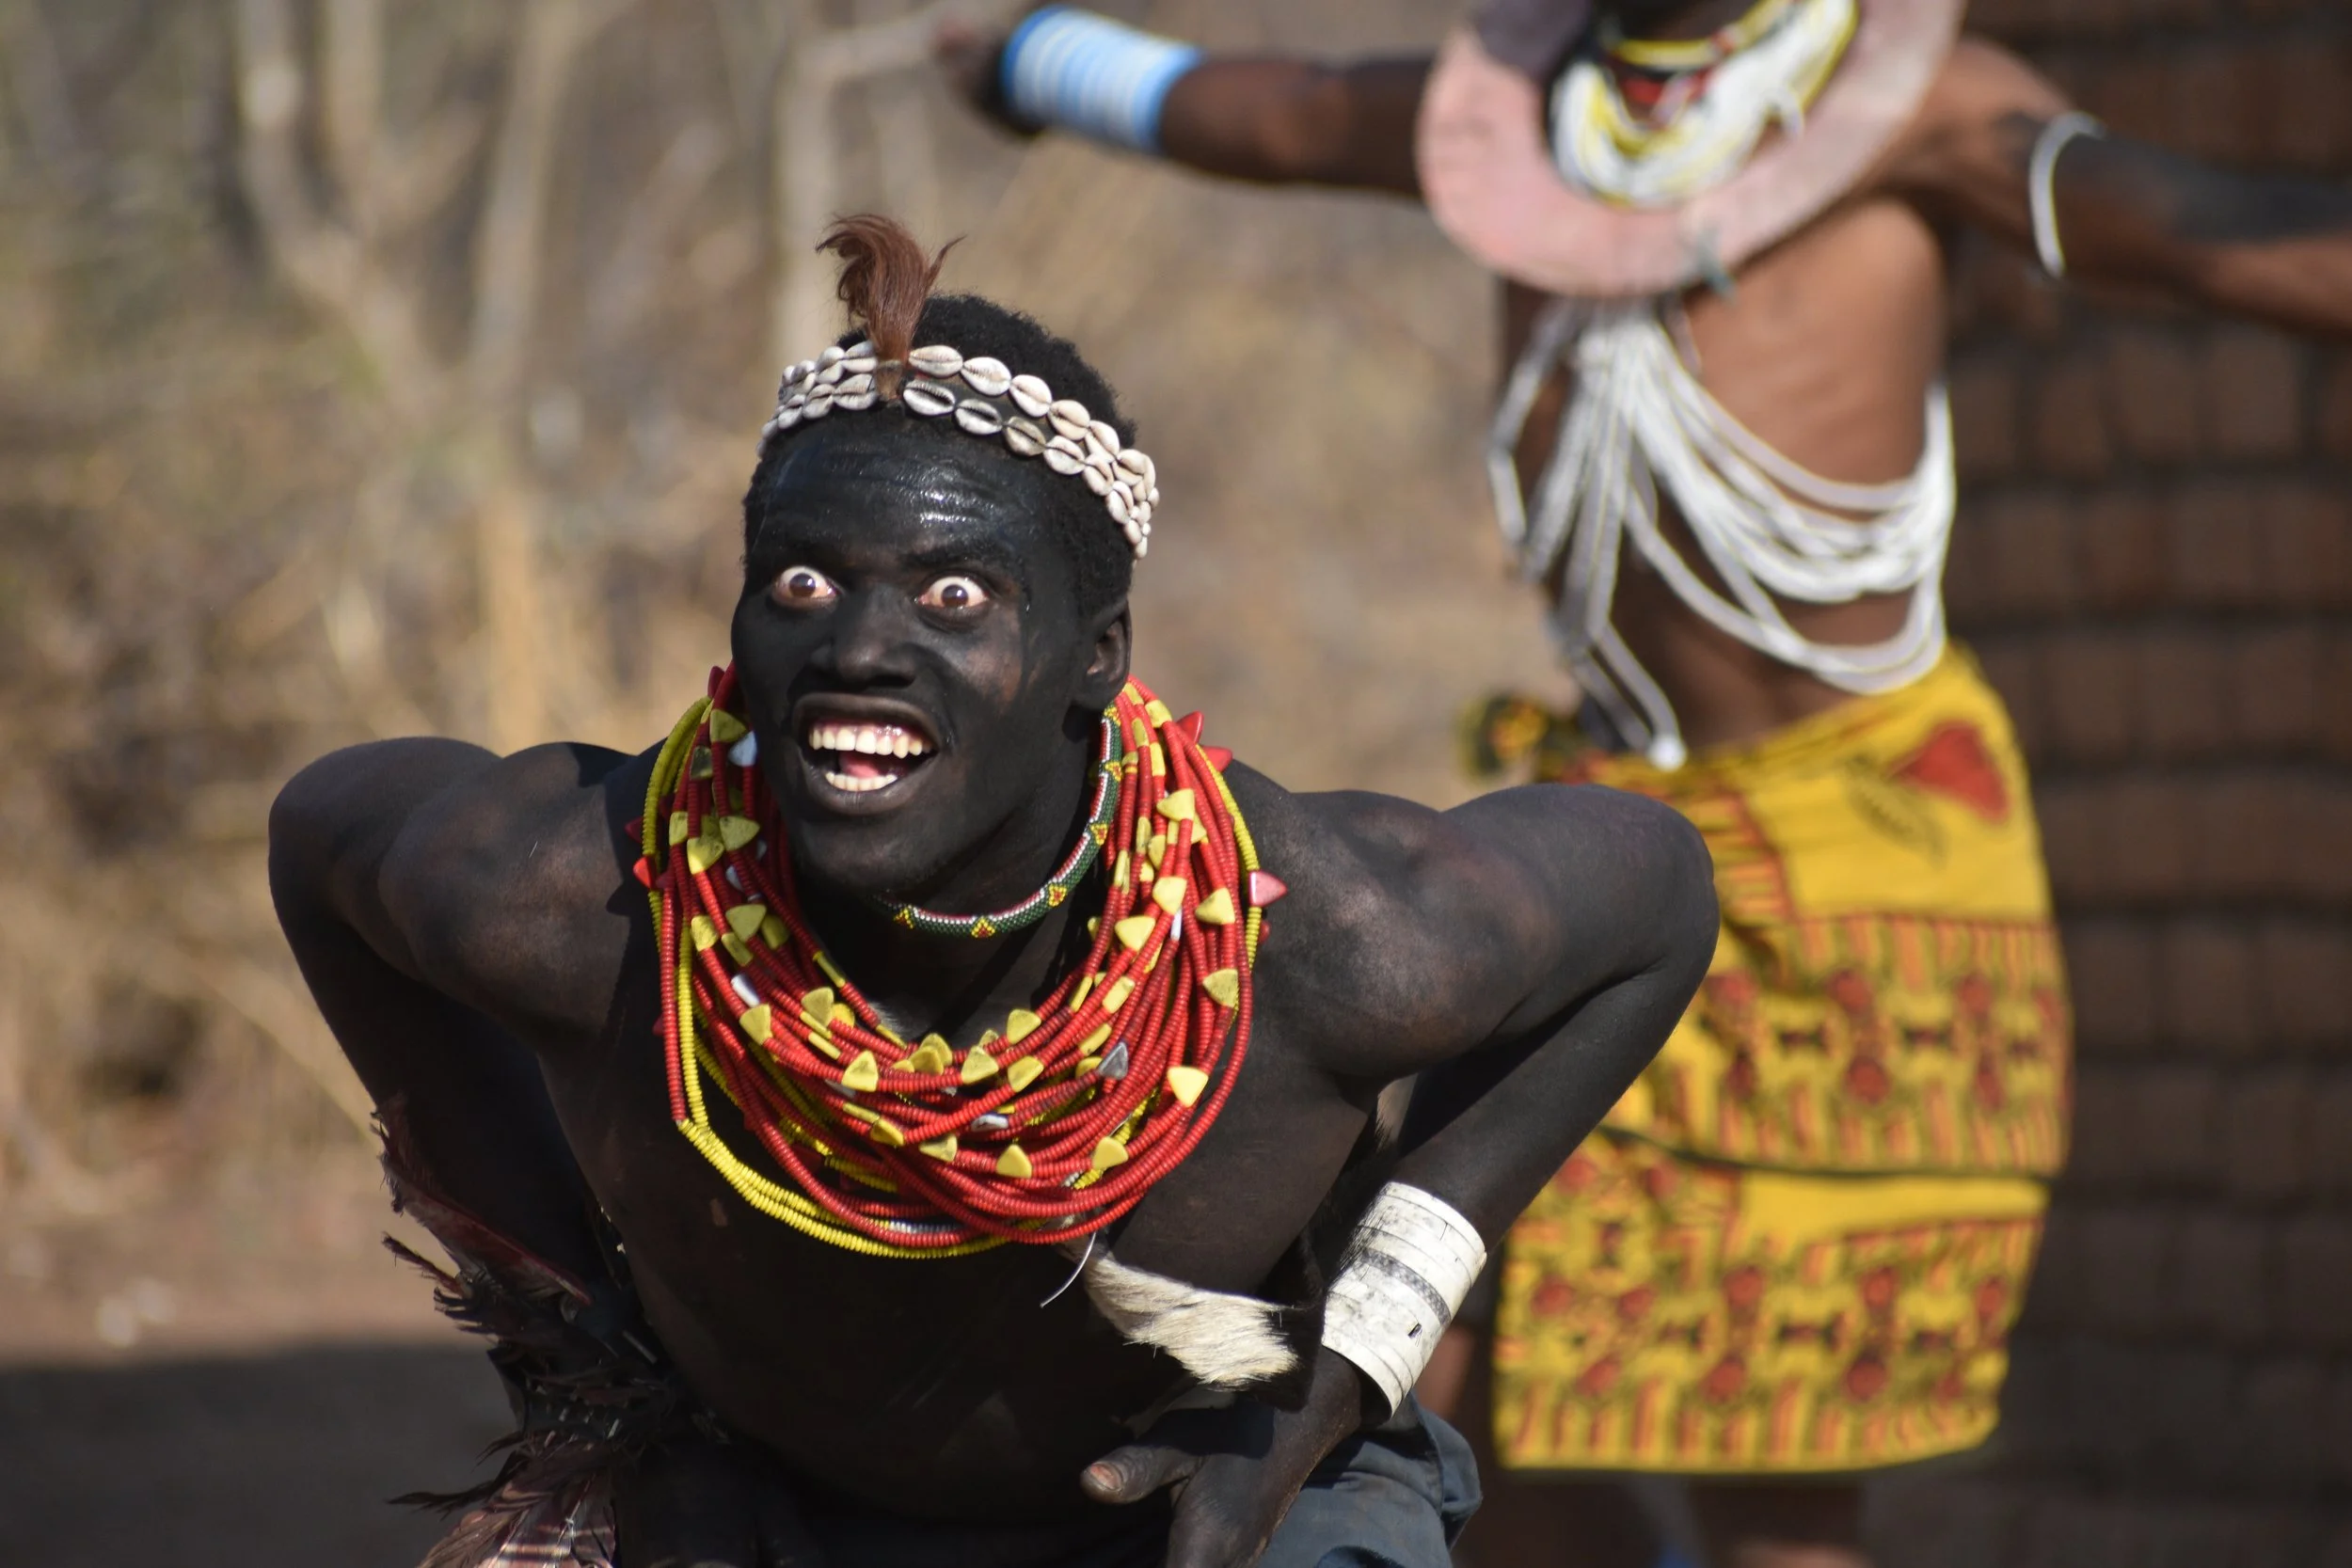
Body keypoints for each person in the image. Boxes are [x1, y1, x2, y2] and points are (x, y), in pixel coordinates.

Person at [937, 3, 2352, 1564]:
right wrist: (1032, 61)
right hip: (1615, 856)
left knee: (1783, 1474)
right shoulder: (1523, 116)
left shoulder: (1920, 110)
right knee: (1431, 1385)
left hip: (1869, 858)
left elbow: (2219, 242)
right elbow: (1279, 109)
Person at [268, 214, 1717, 1568]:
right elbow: (319, 835)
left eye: (954, 597)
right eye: (800, 586)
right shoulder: (588, 903)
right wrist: (592, 1377)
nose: (859, 650)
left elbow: (1657, 896)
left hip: (1238, 1493)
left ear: (1099, 655)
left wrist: (1350, 1364)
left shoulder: (1327, 942)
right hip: (764, 1495)